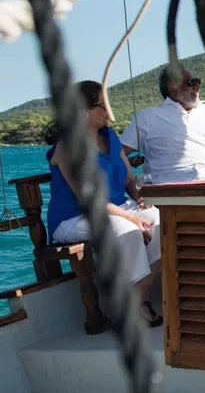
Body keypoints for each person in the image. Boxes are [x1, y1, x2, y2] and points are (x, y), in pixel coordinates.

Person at [45, 81, 163, 326]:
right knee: (129, 231)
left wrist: (139, 197)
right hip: (73, 217)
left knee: (163, 223)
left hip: (118, 207)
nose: (110, 112)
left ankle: (130, 298)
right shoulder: (67, 148)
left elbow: (130, 178)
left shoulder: (110, 137)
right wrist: (131, 218)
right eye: (104, 106)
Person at [120, 67, 205, 184]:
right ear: (172, 85)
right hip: (167, 188)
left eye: (198, 81)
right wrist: (133, 184)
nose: (197, 86)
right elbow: (118, 153)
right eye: (191, 82)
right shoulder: (146, 116)